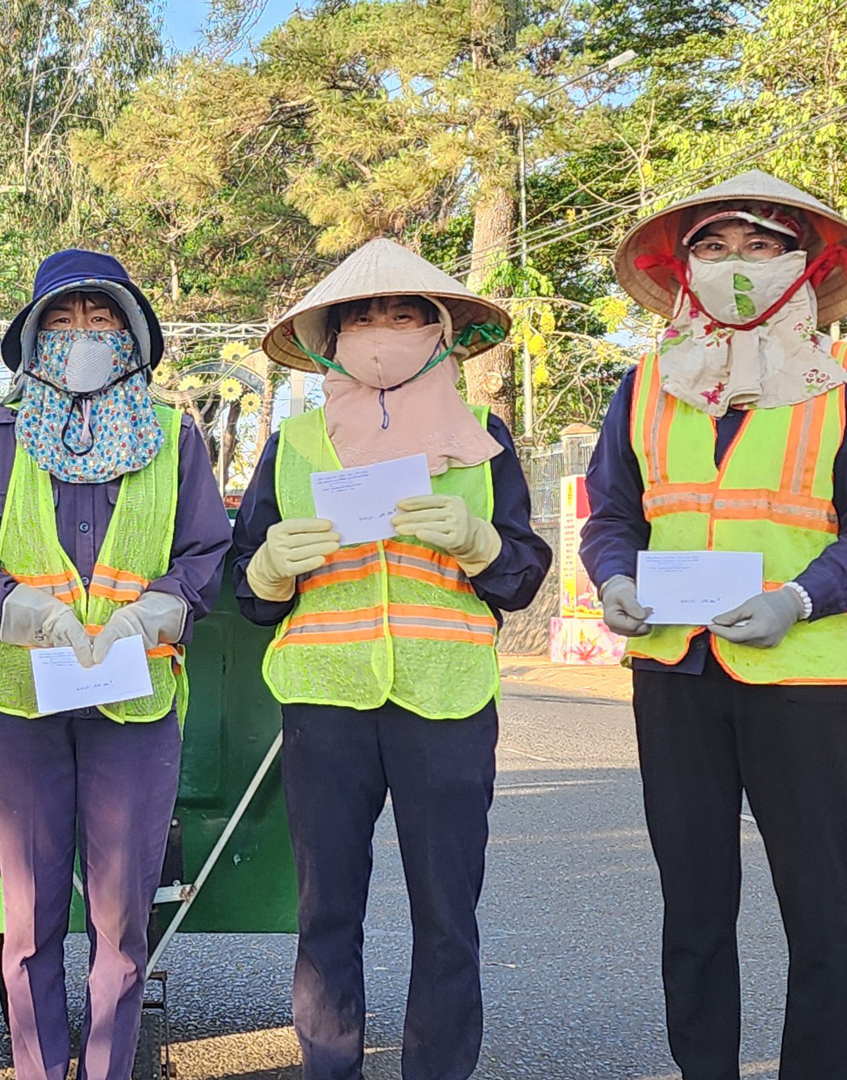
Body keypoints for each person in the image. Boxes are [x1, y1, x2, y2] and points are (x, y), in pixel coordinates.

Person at [581, 170, 847, 1080]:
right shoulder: (647, 383)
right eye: (714, 246)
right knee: (692, 904)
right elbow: (611, 512)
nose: (737, 264)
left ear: (806, 264)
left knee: (818, 906)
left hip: (799, 676)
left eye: (761, 246)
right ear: (682, 266)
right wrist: (611, 577)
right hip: (674, 675)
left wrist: (798, 598)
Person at [227, 239, 550, 1080]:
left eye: (404, 314)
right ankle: (328, 1069)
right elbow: (247, 588)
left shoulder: (485, 439)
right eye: (362, 316)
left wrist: (482, 544)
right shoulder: (293, 442)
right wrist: (266, 565)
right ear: (331, 337)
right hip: (326, 702)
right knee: (326, 912)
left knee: (448, 915)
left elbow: (520, 576)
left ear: (441, 332)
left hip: (446, 700)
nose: (382, 332)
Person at [0, 250, 232, 1080]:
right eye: (61, 320)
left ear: (131, 333)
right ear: (32, 337)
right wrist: (22, 608)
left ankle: (106, 1069)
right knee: (25, 922)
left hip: (133, 708)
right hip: (21, 706)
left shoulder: (174, 436)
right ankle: (36, 1069)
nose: (82, 334)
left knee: (120, 920)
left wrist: (159, 607)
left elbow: (207, 548)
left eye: (101, 318)